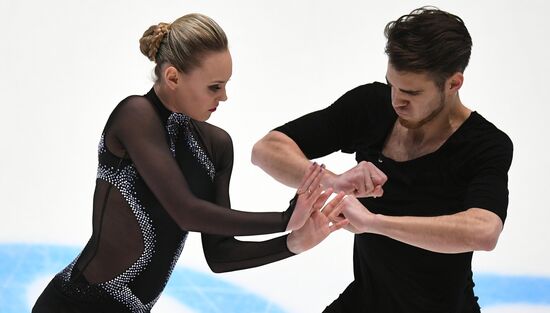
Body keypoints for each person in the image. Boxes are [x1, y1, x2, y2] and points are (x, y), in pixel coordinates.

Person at [32, 13, 347, 313]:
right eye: (214, 86)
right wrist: (283, 219)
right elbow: (185, 212)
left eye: (225, 84)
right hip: (74, 305)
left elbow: (220, 255)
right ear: (172, 77)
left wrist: (292, 242)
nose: (223, 97)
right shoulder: (135, 116)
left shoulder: (216, 146)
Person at [252, 6, 513, 313]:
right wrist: (331, 180)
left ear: (453, 84)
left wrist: (374, 223)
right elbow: (267, 149)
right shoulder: (371, 107)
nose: (396, 100)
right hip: (365, 301)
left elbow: (484, 231)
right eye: (392, 85)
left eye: (411, 92)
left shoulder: (485, 144)